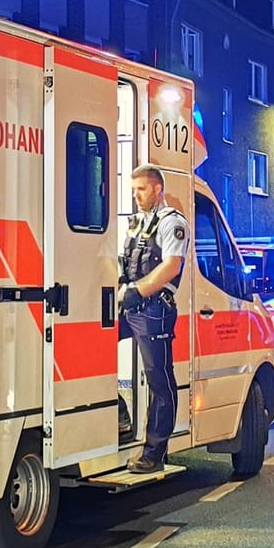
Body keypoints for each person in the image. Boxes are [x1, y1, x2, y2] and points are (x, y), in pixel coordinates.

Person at [118, 166, 188, 474]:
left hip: (153, 310)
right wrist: (121, 285)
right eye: (134, 190)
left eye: (141, 190)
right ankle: (119, 412)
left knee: (159, 381)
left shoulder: (172, 223)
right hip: (130, 306)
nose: (136, 195)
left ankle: (154, 453)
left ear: (157, 189)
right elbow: (125, 259)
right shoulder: (136, 222)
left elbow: (171, 266)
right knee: (89, 355)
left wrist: (137, 291)